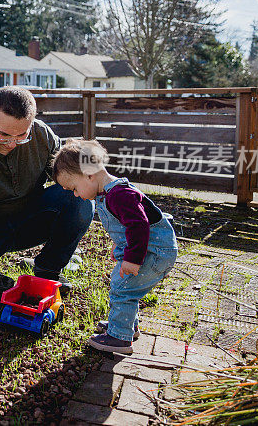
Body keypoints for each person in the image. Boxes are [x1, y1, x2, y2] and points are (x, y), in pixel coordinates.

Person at [0, 86, 95, 319]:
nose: (11, 143)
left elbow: (76, 177)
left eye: (21, 135)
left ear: (31, 123)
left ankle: (47, 271)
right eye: (3, 134)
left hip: (28, 220)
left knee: (80, 200)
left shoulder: (42, 136)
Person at [52, 139, 178, 354]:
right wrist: (122, 247)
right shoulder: (109, 193)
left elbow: (139, 225)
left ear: (89, 174)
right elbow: (127, 228)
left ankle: (119, 338)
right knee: (128, 287)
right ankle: (127, 326)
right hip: (152, 250)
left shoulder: (119, 195)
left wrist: (132, 258)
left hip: (155, 253)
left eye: (73, 188)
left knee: (122, 289)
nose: (74, 194)